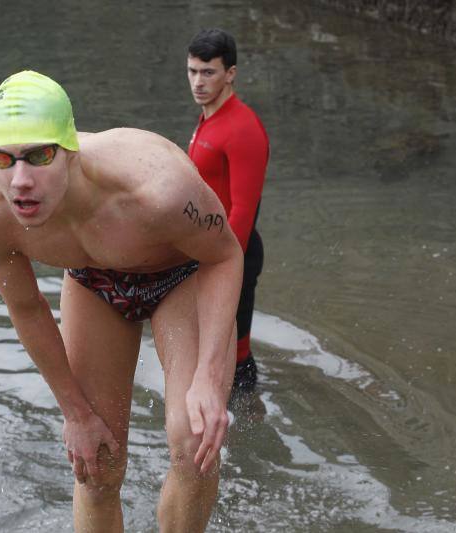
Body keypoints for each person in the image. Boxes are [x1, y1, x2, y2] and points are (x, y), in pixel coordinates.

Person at [0, 70, 244, 532]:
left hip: (181, 275)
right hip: (95, 283)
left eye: (39, 156)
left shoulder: (156, 191)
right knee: (96, 463)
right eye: (3, 159)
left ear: (69, 150)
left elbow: (225, 254)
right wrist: (75, 414)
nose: (20, 181)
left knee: (194, 441)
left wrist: (210, 379)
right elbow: (27, 308)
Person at [186, 28, 270, 399]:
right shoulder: (209, 118)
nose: (198, 82)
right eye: (192, 71)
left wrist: (220, 268)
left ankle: (252, 427)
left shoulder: (243, 128)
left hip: (233, 256)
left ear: (230, 74)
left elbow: (243, 213)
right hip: (208, 255)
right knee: (208, 351)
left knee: (235, 356)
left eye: (209, 73)